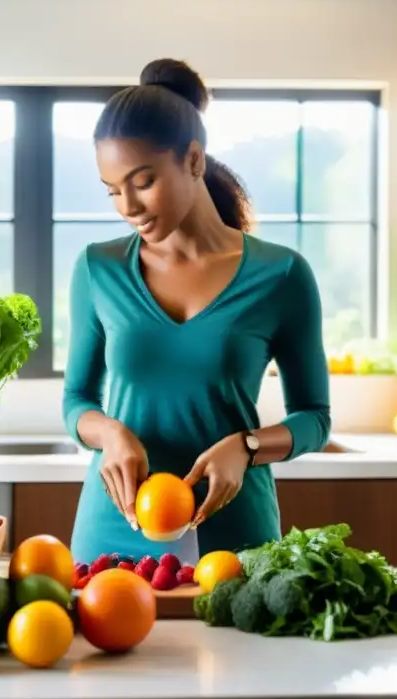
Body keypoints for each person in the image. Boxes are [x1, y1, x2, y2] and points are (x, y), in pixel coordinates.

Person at [62, 58, 331, 566]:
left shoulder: (283, 275)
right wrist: (110, 433)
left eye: (142, 181)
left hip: (235, 536)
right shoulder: (98, 270)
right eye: (113, 190)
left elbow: (315, 418)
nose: (127, 206)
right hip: (113, 533)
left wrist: (247, 446)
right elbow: (76, 401)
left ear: (193, 160)